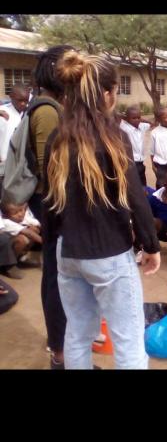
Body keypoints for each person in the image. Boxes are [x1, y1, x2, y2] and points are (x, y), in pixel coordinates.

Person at [43, 50, 161, 369]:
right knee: (129, 341)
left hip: (68, 254)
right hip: (109, 254)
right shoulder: (114, 137)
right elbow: (137, 199)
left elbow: (49, 202)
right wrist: (151, 246)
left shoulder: (57, 138)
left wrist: (56, 248)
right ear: (107, 94)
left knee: (78, 335)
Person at [32, 44, 76, 369]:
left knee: (62, 280)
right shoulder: (48, 111)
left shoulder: (53, 107)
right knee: (57, 280)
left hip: (54, 207)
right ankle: (60, 356)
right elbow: (52, 172)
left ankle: (66, 354)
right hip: (54, 209)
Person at [0, 84, 30, 196]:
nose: (23, 103)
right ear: (11, 97)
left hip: (20, 168)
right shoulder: (3, 112)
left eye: (26, 100)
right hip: (4, 167)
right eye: (20, 100)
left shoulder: (28, 113)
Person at [0, 201, 42, 265]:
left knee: (34, 229)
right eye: (15, 213)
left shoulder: (21, 218)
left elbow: (38, 225)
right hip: (5, 246)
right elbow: (29, 233)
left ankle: (19, 257)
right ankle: (7, 265)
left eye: (21, 210)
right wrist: (46, 242)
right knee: (22, 240)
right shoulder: (6, 222)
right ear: (5, 216)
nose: (20, 214)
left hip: (11, 241)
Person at [119, 105, 151, 186]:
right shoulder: (124, 127)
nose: (137, 120)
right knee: (131, 186)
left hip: (140, 163)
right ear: (126, 119)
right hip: (130, 163)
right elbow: (115, 115)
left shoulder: (142, 126)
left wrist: (141, 119)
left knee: (143, 186)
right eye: (134, 118)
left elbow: (153, 124)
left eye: (138, 117)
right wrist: (124, 117)